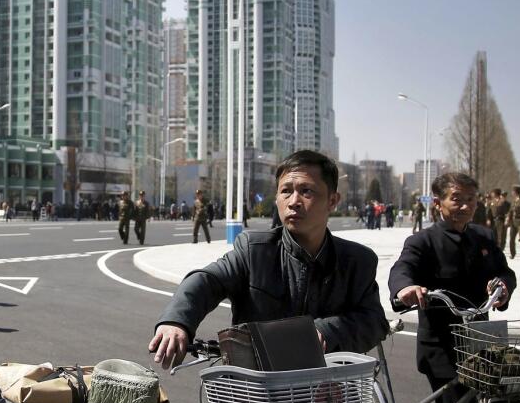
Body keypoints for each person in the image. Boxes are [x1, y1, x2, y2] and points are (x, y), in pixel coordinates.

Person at [150, 148, 387, 367]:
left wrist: (325, 331)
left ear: (333, 201)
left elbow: (374, 321)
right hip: (257, 389)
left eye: (306, 191)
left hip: (328, 393)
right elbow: (207, 280)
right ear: (277, 198)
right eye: (286, 191)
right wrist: (177, 321)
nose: (294, 201)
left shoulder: (357, 261)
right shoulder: (254, 250)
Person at [388, 171, 515, 403]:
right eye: (456, 198)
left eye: (471, 199)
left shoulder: (484, 237)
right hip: (441, 345)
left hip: (482, 342)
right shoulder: (423, 242)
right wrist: (406, 290)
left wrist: (503, 286)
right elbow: (402, 271)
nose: (464, 206)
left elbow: (506, 273)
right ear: (438, 202)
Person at [506, 184, 520, 260]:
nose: (512, 192)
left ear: (516, 192)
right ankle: (512, 253)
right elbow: (510, 211)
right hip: (513, 222)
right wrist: (507, 218)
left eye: (513, 191)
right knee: (512, 239)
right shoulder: (513, 201)